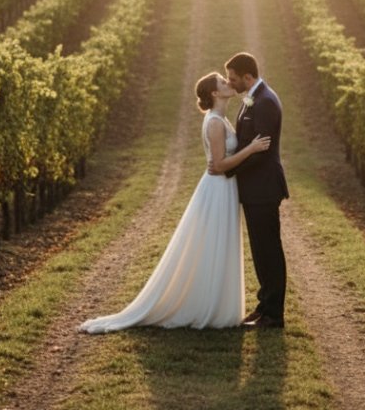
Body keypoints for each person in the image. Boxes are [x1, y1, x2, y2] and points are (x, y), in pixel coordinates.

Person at [79, 72, 270, 333]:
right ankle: (207, 306)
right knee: (212, 243)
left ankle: (215, 302)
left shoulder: (221, 119)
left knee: (217, 243)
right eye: (223, 83)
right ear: (215, 93)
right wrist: (251, 149)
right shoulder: (214, 123)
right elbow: (220, 165)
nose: (229, 83)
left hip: (224, 188)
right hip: (217, 188)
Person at [214, 52, 288, 329]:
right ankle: (263, 305)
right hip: (255, 189)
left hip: (264, 189)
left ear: (248, 76)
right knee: (260, 250)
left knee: (269, 251)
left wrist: (227, 168)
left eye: (233, 78)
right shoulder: (255, 97)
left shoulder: (266, 101)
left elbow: (261, 150)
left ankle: (273, 315)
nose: (231, 83)